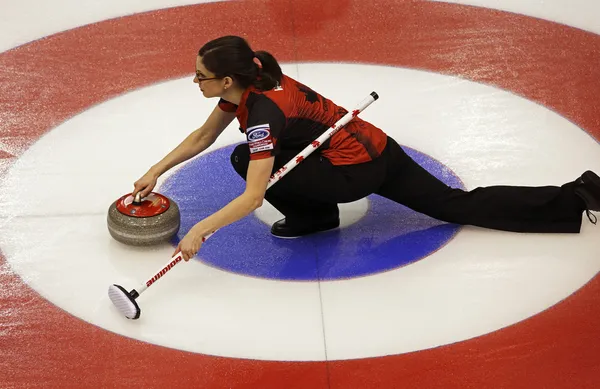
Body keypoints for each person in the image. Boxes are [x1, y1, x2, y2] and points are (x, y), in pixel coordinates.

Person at [132, 35, 600, 261]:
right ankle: (575, 197)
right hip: (377, 149)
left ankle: (317, 215)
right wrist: (156, 168)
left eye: (201, 75)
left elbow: (255, 196)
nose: (195, 80)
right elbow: (202, 137)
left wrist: (201, 231)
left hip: (353, 173)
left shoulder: (262, 116)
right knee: (455, 204)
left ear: (227, 80)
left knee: (246, 161)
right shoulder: (255, 86)